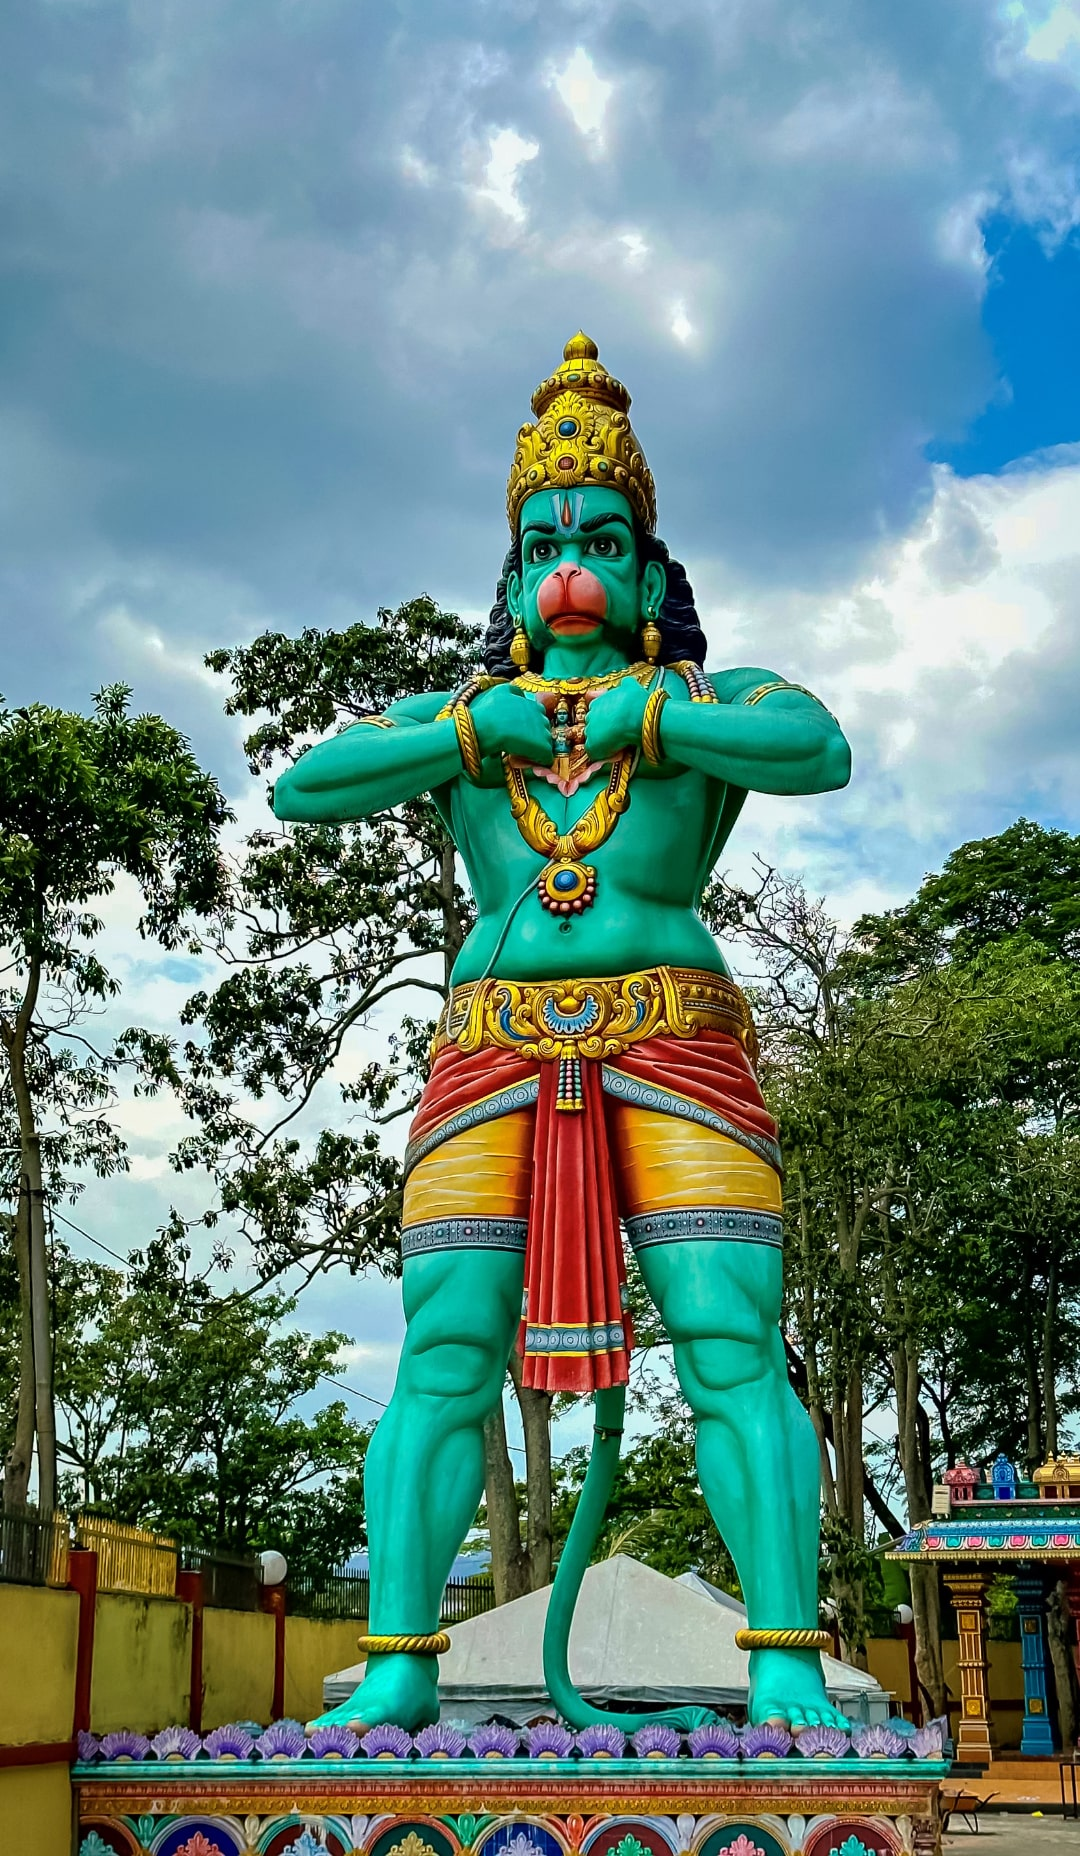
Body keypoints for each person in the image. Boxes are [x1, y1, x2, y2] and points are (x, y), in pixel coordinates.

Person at [276, 333, 852, 1733]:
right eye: (542, 544)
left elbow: (821, 746)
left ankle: (779, 1654)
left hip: (675, 1040)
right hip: (490, 1047)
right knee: (444, 1350)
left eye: (601, 539)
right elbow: (311, 787)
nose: (571, 563)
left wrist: (647, 709)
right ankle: (403, 1664)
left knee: (730, 1343)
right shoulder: (465, 719)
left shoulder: (710, 706)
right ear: (517, 583)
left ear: (651, 576)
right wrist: (488, 735)